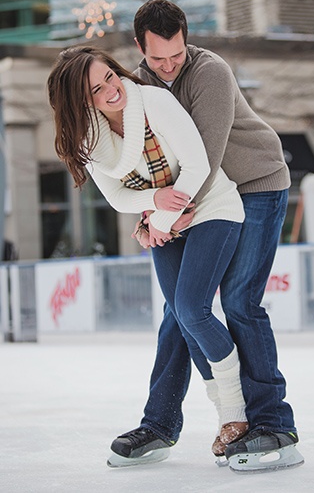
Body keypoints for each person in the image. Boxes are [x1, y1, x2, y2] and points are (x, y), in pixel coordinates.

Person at [106, 0, 301, 473]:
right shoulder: (138, 86)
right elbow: (145, 163)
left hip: (251, 185)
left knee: (238, 302)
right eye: (157, 59)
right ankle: (159, 423)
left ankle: (272, 422)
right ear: (139, 48)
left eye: (176, 55)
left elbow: (206, 159)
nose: (169, 66)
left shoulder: (210, 71)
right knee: (180, 307)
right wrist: (147, 213)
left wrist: (164, 218)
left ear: (186, 40)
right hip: (191, 198)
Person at [47, 47, 249, 467]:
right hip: (166, 219)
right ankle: (179, 422)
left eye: (110, 78)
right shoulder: (93, 139)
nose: (110, 90)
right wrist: (156, 203)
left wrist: (158, 220)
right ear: (84, 101)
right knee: (179, 313)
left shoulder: (153, 102)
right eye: (97, 90)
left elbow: (196, 167)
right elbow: (118, 197)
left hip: (212, 205)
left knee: (192, 310)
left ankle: (236, 413)